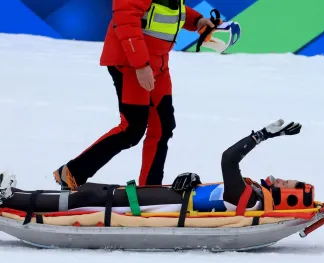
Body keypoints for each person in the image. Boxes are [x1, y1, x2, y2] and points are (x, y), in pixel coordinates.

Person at [0, 119, 315, 216]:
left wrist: (260, 136)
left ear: (286, 197)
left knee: (85, 197)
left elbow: (229, 159)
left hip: (151, 203)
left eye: (289, 183)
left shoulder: (250, 198)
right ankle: (13, 196)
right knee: (87, 194)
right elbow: (210, 196)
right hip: (158, 195)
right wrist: (194, 181)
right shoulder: (248, 193)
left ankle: (7, 200)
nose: (284, 178)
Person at [52, 0, 223, 191]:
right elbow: (125, 19)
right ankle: (72, 173)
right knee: (131, 130)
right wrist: (141, 65)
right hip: (131, 62)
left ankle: (149, 190)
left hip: (157, 62)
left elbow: (169, 8)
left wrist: (197, 21)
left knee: (163, 126)